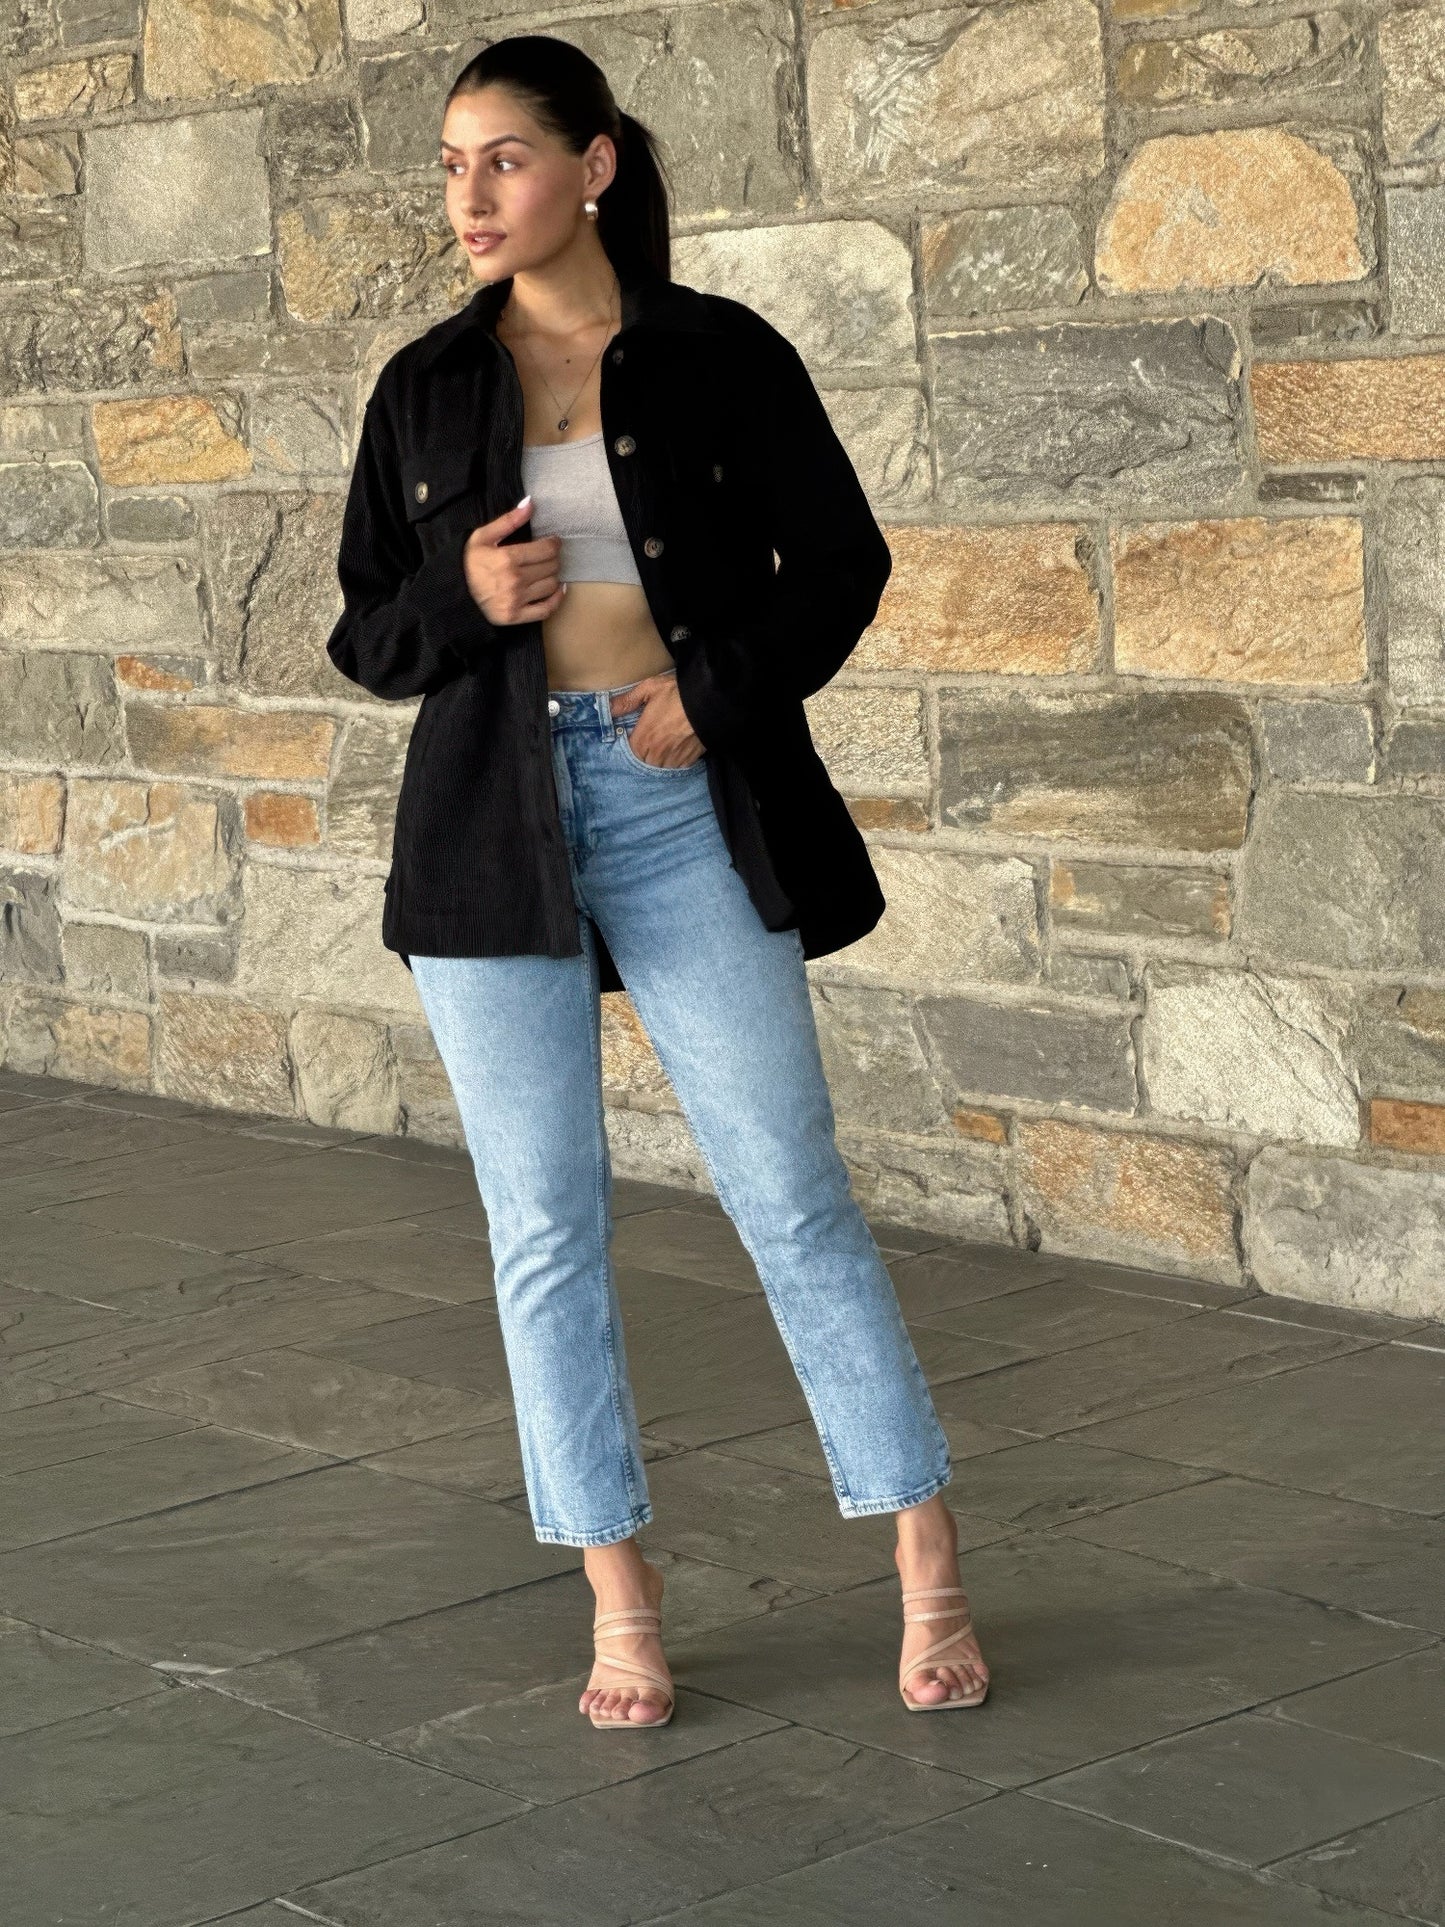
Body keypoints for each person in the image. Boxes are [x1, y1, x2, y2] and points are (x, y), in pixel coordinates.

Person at [326, 33, 990, 1728]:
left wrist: (715, 690)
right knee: (541, 1224)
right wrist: (463, 598)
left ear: (595, 164)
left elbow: (838, 564)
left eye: (505, 158)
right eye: (453, 165)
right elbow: (367, 633)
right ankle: (618, 1597)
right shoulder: (423, 388)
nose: (471, 195)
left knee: (789, 1191)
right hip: (488, 826)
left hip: (680, 798)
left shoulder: (718, 356)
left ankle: (920, 1549)